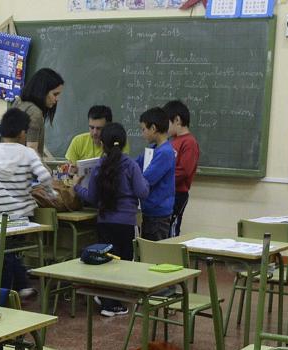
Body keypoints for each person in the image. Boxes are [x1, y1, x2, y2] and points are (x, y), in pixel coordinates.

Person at [0, 108, 57, 298]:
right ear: (22, 132)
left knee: (4, 253)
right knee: (10, 253)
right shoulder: (28, 153)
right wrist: (50, 192)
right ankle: (11, 291)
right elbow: (44, 175)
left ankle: (7, 291)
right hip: (23, 217)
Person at [75, 122, 149, 317]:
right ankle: (113, 304)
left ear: (102, 144)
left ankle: (107, 299)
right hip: (126, 223)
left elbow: (91, 197)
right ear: (124, 143)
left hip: (105, 221)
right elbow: (143, 192)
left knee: (106, 262)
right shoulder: (131, 165)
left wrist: (76, 187)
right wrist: (145, 182)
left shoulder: (100, 166)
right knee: (123, 262)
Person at [135, 107, 176, 242]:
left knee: (154, 255)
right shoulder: (153, 149)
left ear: (153, 128)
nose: (142, 134)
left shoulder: (165, 152)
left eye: (143, 129)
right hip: (150, 211)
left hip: (158, 215)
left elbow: (147, 179)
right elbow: (134, 165)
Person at [10, 68, 65, 160]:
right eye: (55, 94)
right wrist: (48, 173)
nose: (57, 99)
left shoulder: (18, 102)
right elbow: (32, 153)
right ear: (42, 91)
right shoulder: (35, 113)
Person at [164, 100, 199, 237]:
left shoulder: (189, 142)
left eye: (167, 122)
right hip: (168, 192)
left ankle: (173, 256)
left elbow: (184, 171)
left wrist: (164, 179)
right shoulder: (172, 141)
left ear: (177, 120)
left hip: (178, 193)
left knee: (172, 226)